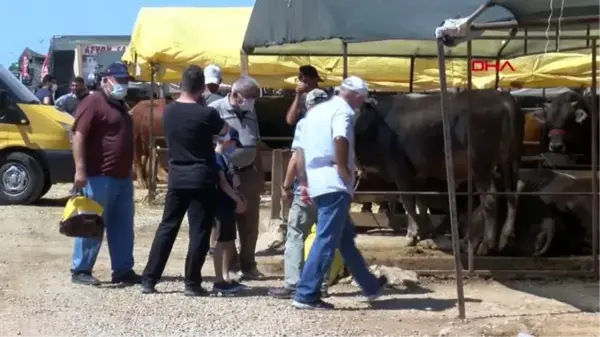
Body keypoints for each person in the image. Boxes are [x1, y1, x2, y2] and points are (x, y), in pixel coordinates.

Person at [291, 76, 387, 310]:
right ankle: (306, 293)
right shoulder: (342, 112)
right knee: (326, 239)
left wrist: (304, 180)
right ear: (354, 95)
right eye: (361, 99)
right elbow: (340, 138)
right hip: (333, 181)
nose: (360, 104)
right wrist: (345, 171)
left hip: (316, 179)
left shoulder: (314, 113)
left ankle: (370, 285)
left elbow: (300, 151)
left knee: (344, 238)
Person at [141, 65, 229, 296]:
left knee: (167, 227)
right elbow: (225, 130)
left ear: (181, 85)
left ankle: (149, 278)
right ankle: (192, 283)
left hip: (177, 176)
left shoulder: (169, 112)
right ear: (201, 88)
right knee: (199, 231)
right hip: (202, 175)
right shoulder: (207, 113)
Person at [70, 62, 140, 286]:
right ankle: (81, 269)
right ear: (105, 80)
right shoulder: (93, 102)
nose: (123, 84)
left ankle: (123, 269)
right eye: (119, 80)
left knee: (122, 226)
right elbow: (78, 135)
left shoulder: (119, 104)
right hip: (98, 175)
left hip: (121, 177)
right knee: (91, 223)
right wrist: (80, 170)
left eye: (126, 81)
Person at [269, 88, 330, 299]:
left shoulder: (306, 124)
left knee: (295, 234)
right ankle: (321, 283)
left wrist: (286, 186)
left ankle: (294, 282)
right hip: (330, 188)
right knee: (323, 236)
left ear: (307, 106)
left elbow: (296, 158)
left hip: (307, 187)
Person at [209, 76, 264, 280]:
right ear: (234, 94)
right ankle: (229, 266)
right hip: (226, 174)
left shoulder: (251, 112)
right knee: (226, 221)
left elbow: (255, 143)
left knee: (250, 223)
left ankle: (249, 264)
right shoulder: (215, 110)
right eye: (249, 97)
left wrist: (259, 175)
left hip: (248, 172)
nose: (252, 101)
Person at [213, 128, 247, 293]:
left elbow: (233, 180)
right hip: (221, 203)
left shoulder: (226, 158)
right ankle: (219, 279)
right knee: (220, 242)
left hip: (229, 203)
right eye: (233, 142)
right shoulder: (217, 157)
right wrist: (237, 199)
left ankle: (226, 276)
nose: (234, 146)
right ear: (226, 141)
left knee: (228, 240)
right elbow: (223, 183)